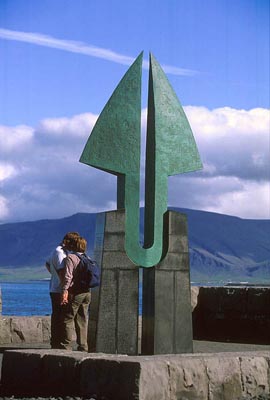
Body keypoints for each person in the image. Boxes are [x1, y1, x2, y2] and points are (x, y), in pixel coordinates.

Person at [45, 231, 79, 349]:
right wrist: (65, 287)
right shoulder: (60, 253)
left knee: (56, 315)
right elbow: (62, 272)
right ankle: (57, 342)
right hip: (58, 290)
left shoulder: (57, 250)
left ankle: (55, 341)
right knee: (60, 317)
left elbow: (47, 264)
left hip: (54, 287)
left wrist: (53, 276)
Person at [60, 236, 91, 352]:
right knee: (82, 319)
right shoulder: (87, 258)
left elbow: (68, 276)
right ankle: (83, 346)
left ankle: (66, 346)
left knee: (68, 318)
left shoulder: (71, 258)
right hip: (87, 292)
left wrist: (64, 290)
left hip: (76, 292)